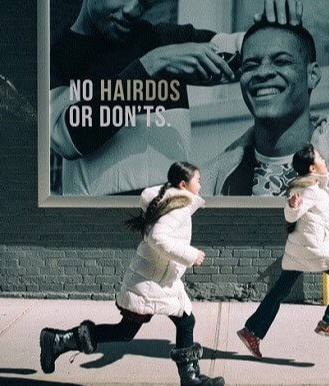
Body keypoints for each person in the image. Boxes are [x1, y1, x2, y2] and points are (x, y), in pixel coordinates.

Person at [49, 0, 303, 195]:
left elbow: (248, 52)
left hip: (171, 215)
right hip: (98, 223)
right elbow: (68, 140)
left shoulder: (164, 39)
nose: (134, 10)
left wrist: (276, 26)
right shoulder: (58, 54)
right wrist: (150, 66)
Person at [39, 161, 224, 386]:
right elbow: (158, 237)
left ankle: (191, 378)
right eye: (198, 181)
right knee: (136, 330)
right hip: (152, 282)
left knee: (178, 322)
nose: (201, 185)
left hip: (160, 280)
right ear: (183, 184)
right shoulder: (179, 208)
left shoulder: (171, 200)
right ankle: (59, 341)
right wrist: (190, 254)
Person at [201, 20, 329, 197]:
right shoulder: (213, 182)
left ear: (312, 75)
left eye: (281, 61)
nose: (263, 72)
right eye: (251, 65)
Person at [236, 143, 329, 358]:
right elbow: (291, 215)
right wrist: (292, 206)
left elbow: (327, 213)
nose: (324, 159)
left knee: (279, 291)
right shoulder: (306, 190)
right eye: (320, 157)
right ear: (312, 167)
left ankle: (252, 331)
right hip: (312, 249)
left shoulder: (318, 188)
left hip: (301, 250)